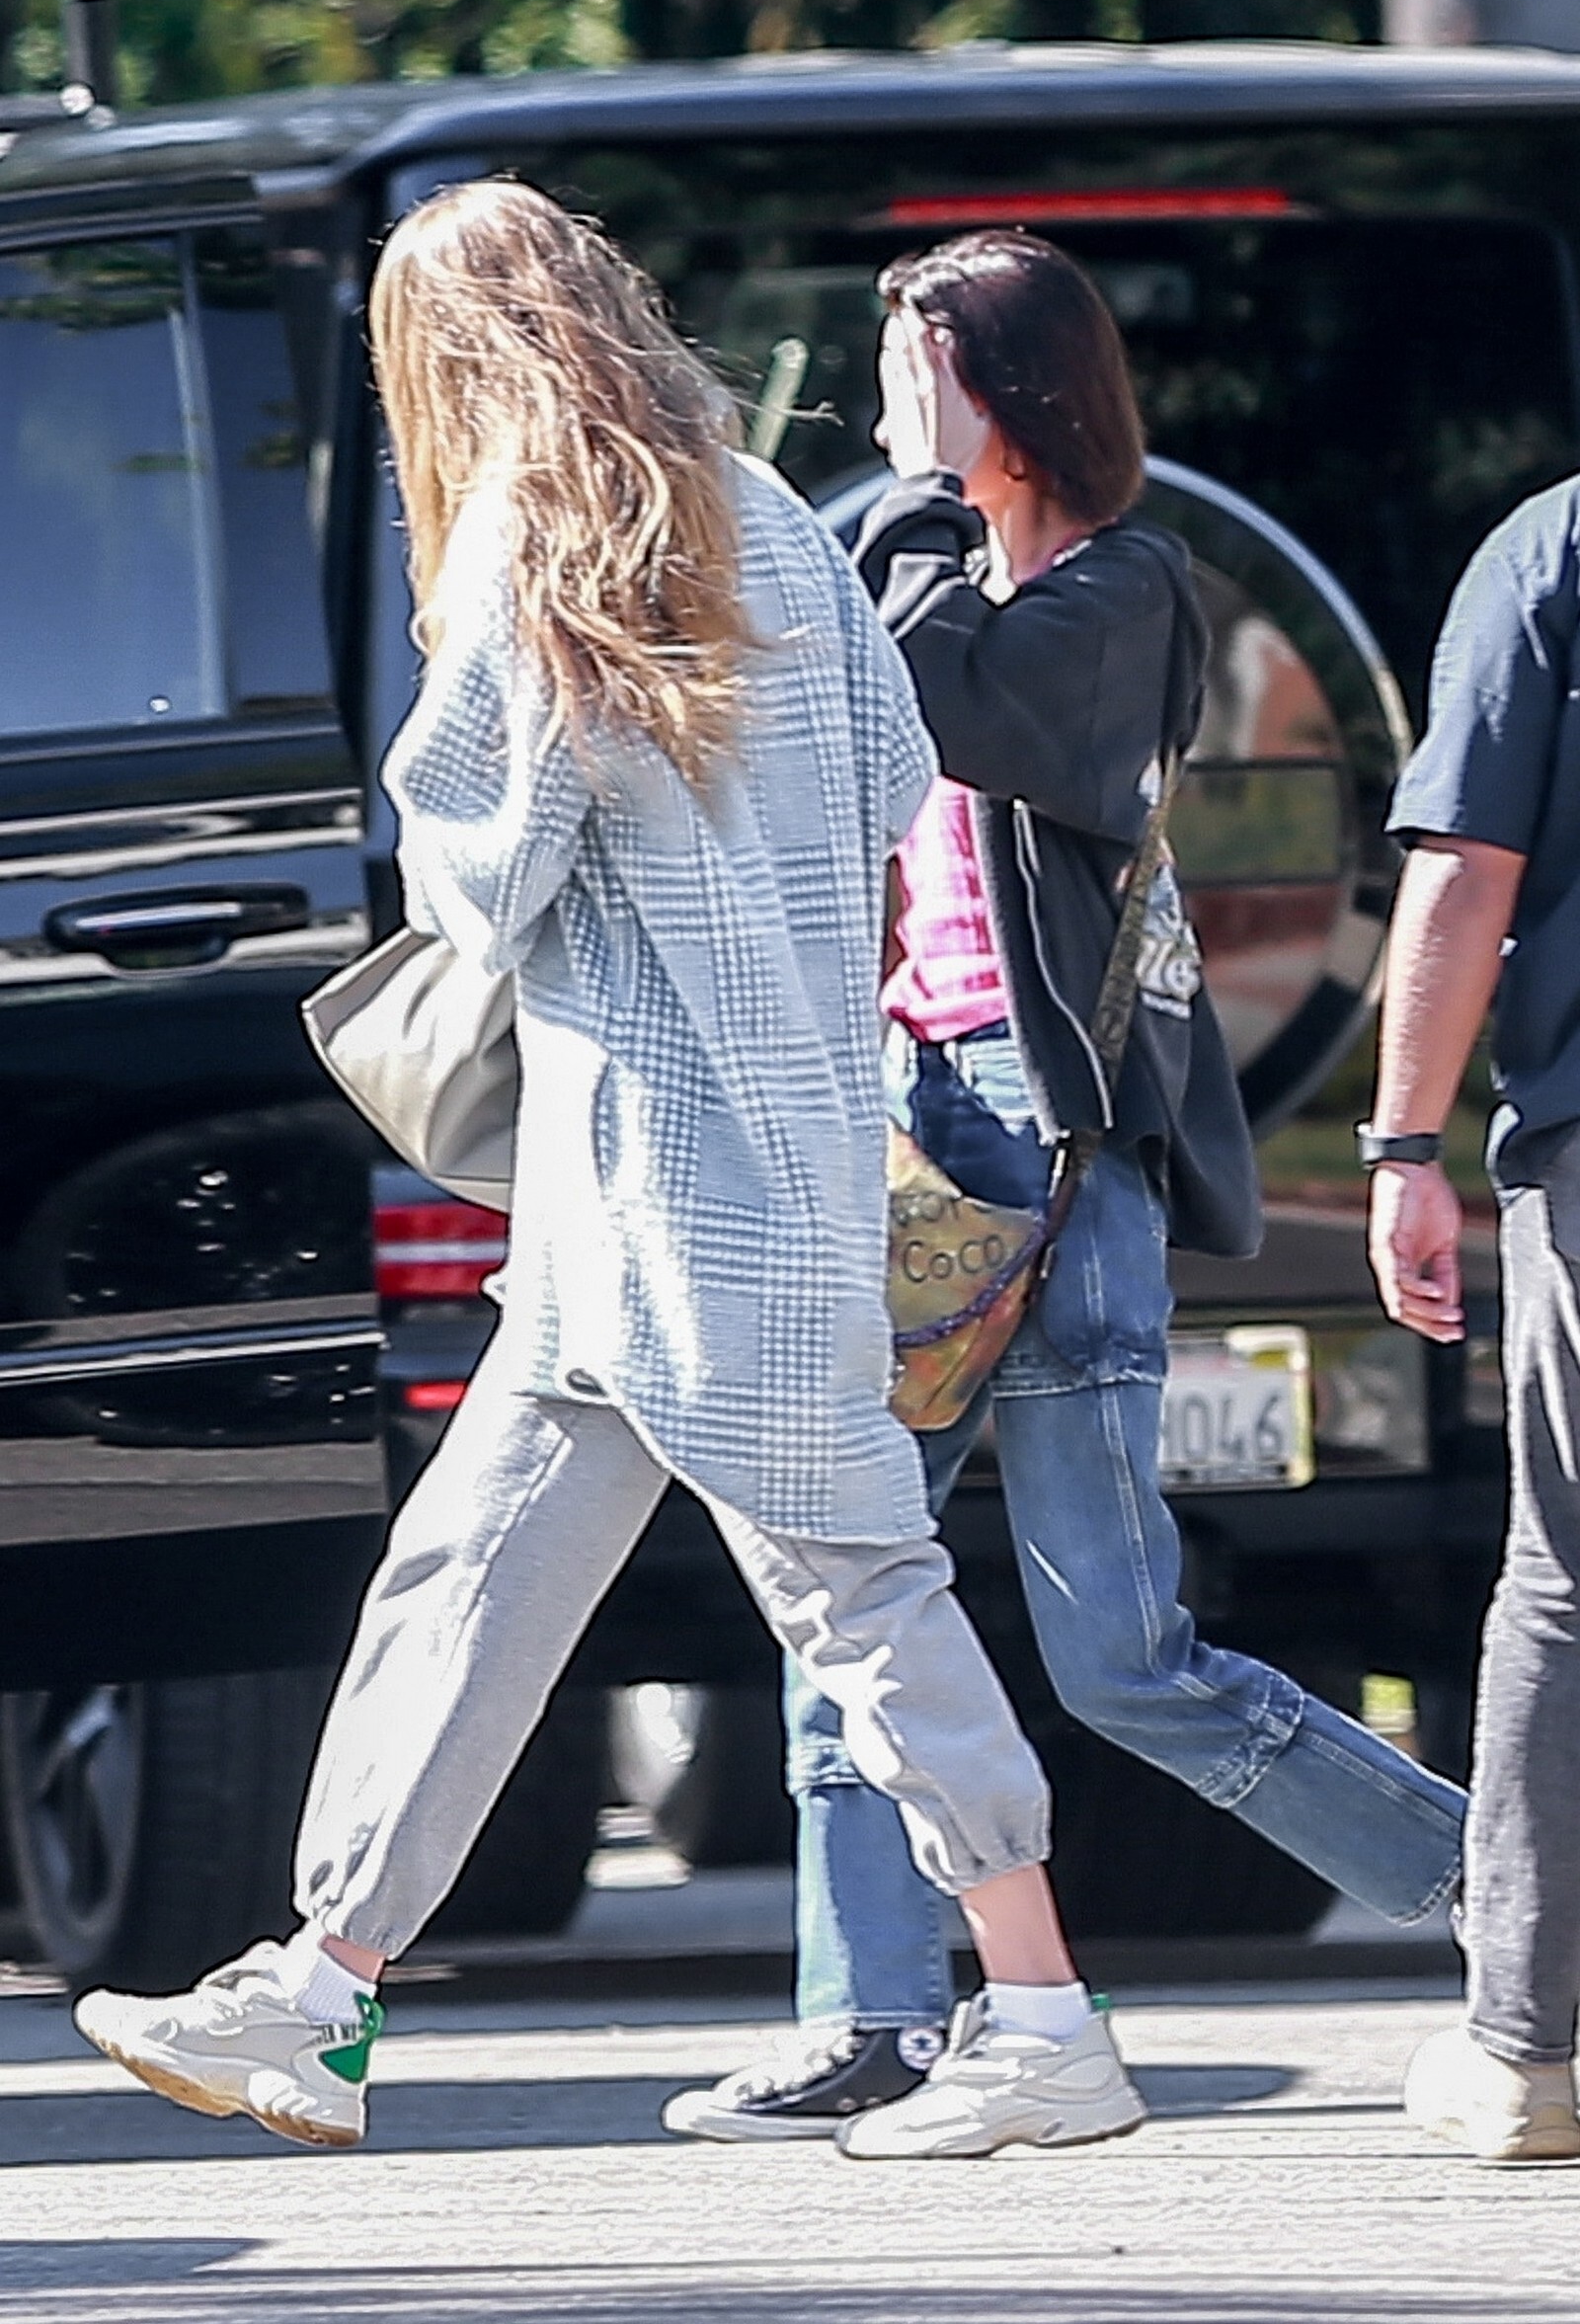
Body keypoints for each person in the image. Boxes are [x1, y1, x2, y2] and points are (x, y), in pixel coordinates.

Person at [70, 180, 1147, 2163]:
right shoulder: (774, 516)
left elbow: (478, 875)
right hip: (744, 1164)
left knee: (858, 1594)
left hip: (666, 1184)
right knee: (468, 1577)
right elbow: (891, 784)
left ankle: (1044, 2022)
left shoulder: (527, 537)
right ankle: (318, 1988)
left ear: (446, 364)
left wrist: (457, 722)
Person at [666, 232, 1467, 2154]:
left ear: (1007, 396)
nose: (888, 407)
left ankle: (1508, 1893)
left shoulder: (1121, 588)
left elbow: (963, 715)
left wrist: (925, 501)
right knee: (851, 1596)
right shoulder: (918, 564)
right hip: (914, 1135)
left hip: (1053, 1161)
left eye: (916, 371)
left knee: (1122, 1661)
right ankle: (870, 2014)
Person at [1365, 481, 1580, 2162]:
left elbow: (1466, 870)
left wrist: (1402, 1147)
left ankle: (1524, 2055)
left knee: (1568, 1580)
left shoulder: (1553, 550)